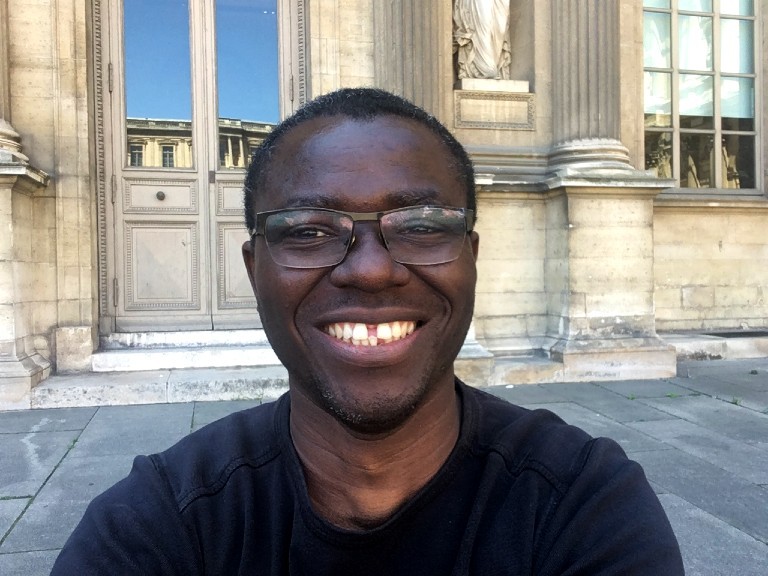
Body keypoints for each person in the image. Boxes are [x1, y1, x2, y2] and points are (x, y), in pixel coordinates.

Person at [51, 88, 684, 575]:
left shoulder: (582, 510)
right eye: (307, 229)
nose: (373, 270)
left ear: (472, 255)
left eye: (423, 225)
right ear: (254, 269)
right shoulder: (155, 529)